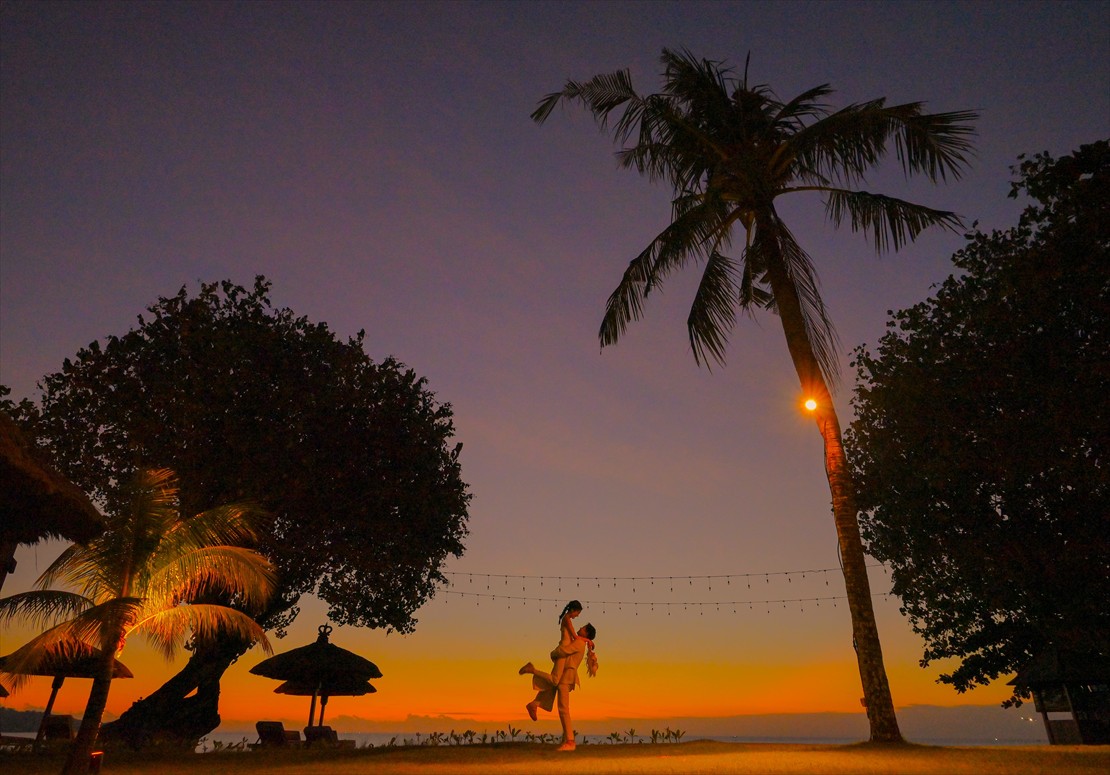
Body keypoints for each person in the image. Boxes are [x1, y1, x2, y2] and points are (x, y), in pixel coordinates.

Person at [518, 622, 598, 751]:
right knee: (551, 688)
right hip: (566, 675)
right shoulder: (581, 641)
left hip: (566, 677)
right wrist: (587, 640)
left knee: (563, 709)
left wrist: (553, 654)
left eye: (583, 628)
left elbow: (564, 651)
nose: (580, 628)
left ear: (586, 633)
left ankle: (570, 741)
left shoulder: (579, 643)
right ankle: (535, 703)